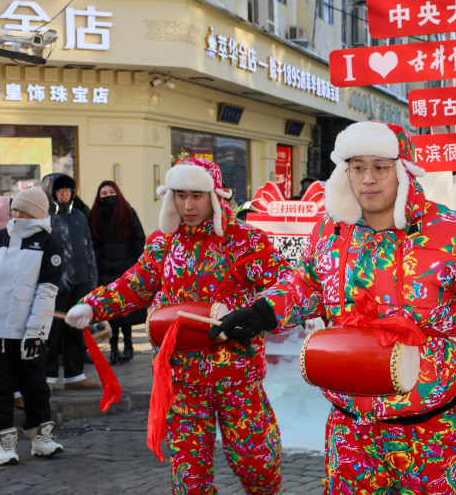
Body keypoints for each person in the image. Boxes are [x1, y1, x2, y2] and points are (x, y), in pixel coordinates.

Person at [209, 121, 456, 494]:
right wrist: (260, 313)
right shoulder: (331, 230)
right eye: (357, 167)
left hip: (428, 427)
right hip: (350, 425)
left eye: (380, 167)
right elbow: (304, 284)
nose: (368, 179)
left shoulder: (449, 230)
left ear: (402, 170)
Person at [64, 158, 292, 494]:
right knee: (189, 477)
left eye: (197, 196)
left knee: (257, 464)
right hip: (181, 378)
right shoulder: (163, 242)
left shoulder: (244, 240)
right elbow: (135, 284)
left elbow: (285, 283)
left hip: (237, 376)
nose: (187, 205)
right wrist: (92, 306)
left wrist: (258, 313)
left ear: (214, 196)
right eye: (180, 195)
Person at [0, 187, 65, 465]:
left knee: (35, 386)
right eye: (15, 208)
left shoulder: (48, 243)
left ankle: (40, 437)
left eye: (23, 210)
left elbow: (47, 292)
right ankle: (4, 444)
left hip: (28, 333)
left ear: (36, 212)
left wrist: (36, 334)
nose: (17, 214)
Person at [40, 173, 100, 391]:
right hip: (56, 285)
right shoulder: (44, 218)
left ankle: (75, 376)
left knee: (76, 328)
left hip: (81, 281)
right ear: (51, 192)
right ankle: (48, 377)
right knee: (52, 331)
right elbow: (40, 252)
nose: (64, 195)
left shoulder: (79, 215)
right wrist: (54, 274)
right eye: (60, 191)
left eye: (68, 191)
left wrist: (92, 279)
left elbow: (88, 248)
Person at [88, 181, 147, 364]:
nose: (107, 196)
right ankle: (114, 347)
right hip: (105, 268)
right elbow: (93, 245)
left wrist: (138, 264)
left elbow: (139, 238)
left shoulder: (128, 211)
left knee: (125, 309)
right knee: (110, 309)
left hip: (126, 267)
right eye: (103, 193)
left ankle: (128, 344)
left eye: (111, 192)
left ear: (118, 193)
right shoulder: (95, 215)